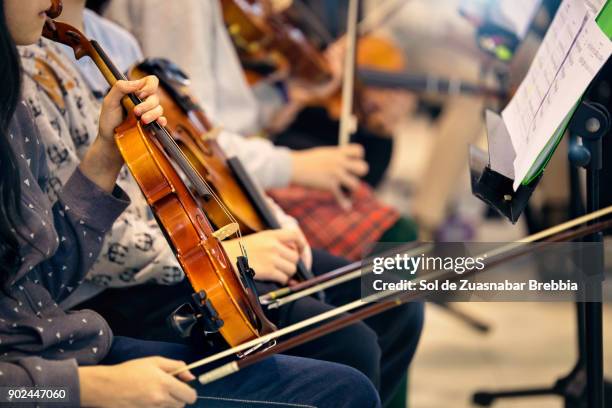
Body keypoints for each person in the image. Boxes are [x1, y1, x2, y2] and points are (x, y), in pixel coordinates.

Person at [20, 1, 424, 405]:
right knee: (352, 339)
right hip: (128, 281)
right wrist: (223, 249)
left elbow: (204, 139)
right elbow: (73, 242)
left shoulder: (115, 41)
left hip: (186, 235)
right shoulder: (32, 62)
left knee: (396, 298)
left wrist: (271, 218)